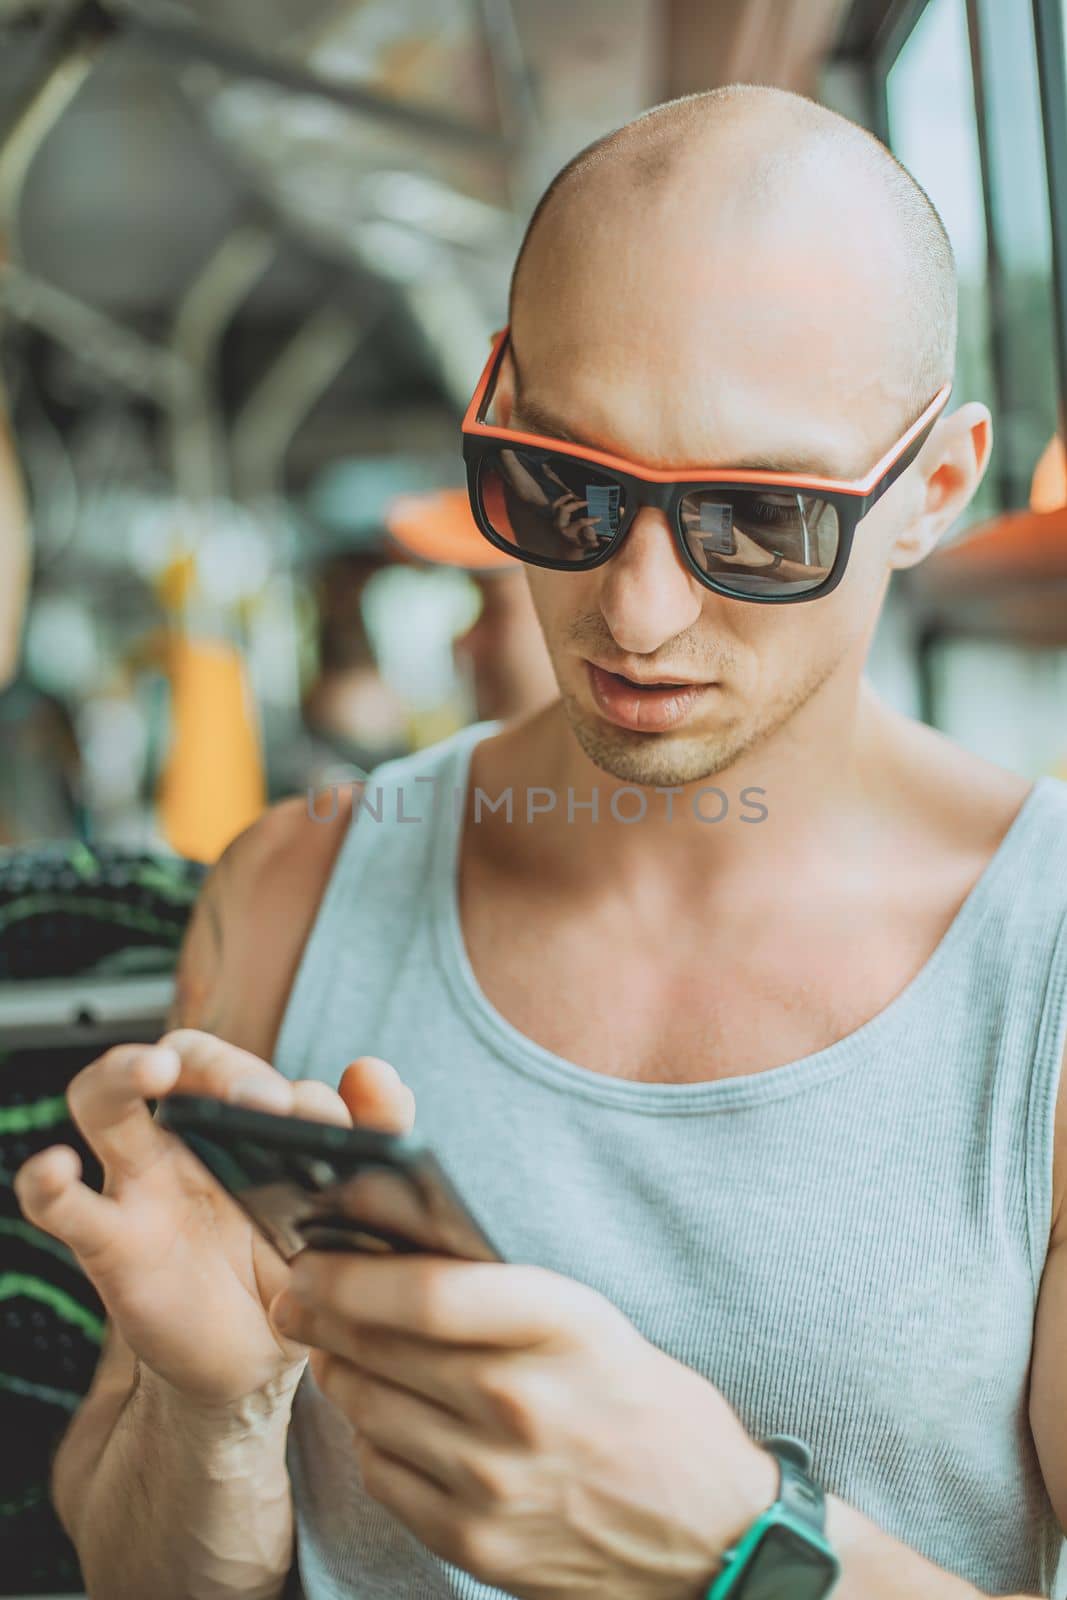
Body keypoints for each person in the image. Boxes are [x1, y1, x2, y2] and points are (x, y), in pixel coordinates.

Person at [14, 83, 1067, 1600]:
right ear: (497, 405)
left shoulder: (1046, 972)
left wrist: (742, 1548)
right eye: (563, 487)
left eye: (758, 523)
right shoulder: (295, 885)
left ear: (935, 493)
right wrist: (215, 1406)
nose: (633, 618)